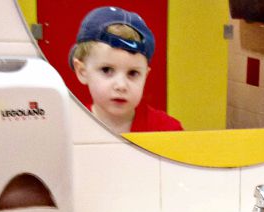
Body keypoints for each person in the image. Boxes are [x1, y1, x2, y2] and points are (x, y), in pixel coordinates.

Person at [69, 6, 183, 134]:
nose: (121, 86)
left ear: (145, 75)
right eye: (106, 70)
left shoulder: (167, 130)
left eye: (133, 73)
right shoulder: (68, 129)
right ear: (82, 71)